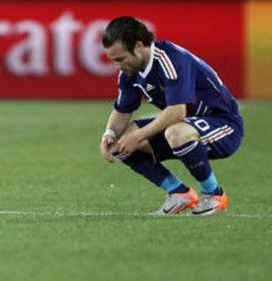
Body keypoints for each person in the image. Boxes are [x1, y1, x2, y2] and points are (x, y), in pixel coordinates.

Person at [99, 16, 243, 216]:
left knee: (176, 132)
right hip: (185, 125)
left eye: (120, 59)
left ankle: (214, 194)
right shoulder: (129, 73)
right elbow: (123, 110)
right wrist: (109, 134)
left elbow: (177, 111)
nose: (117, 66)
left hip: (224, 124)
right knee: (120, 142)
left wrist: (138, 137)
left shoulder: (171, 59)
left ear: (139, 46)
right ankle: (178, 193)